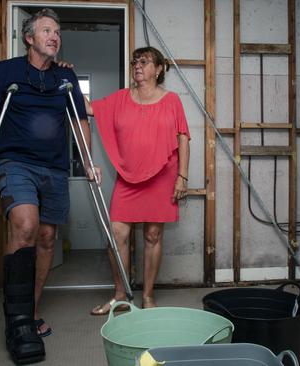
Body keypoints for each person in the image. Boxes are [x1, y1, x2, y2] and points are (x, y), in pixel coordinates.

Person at [0, 8, 96, 363]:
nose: (55, 36)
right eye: (47, 30)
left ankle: (28, 312)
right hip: (14, 163)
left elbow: (81, 121)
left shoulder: (64, 79)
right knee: (26, 226)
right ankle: (18, 322)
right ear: (29, 38)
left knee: (48, 238)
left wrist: (86, 159)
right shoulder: (4, 72)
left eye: (58, 32)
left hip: (54, 168)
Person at [86, 46, 190, 315]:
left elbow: (183, 138)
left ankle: (148, 297)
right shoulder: (120, 99)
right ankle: (120, 295)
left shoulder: (172, 101)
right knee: (117, 234)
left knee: (153, 235)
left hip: (162, 177)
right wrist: (62, 82)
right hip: (129, 179)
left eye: (144, 62)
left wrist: (182, 176)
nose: (137, 66)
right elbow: (87, 108)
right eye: (135, 62)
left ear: (158, 69)